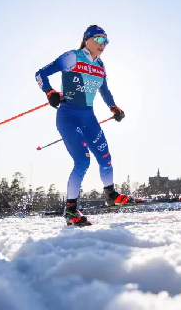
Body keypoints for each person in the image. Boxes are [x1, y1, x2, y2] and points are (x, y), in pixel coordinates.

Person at [35, 24, 133, 226]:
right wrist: (49, 92)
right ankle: (70, 211)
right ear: (86, 39)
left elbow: (104, 89)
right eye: (98, 39)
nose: (102, 44)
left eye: (105, 41)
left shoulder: (100, 66)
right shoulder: (72, 57)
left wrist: (113, 107)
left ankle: (111, 195)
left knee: (105, 157)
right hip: (68, 116)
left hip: (88, 117)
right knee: (83, 161)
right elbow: (40, 74)